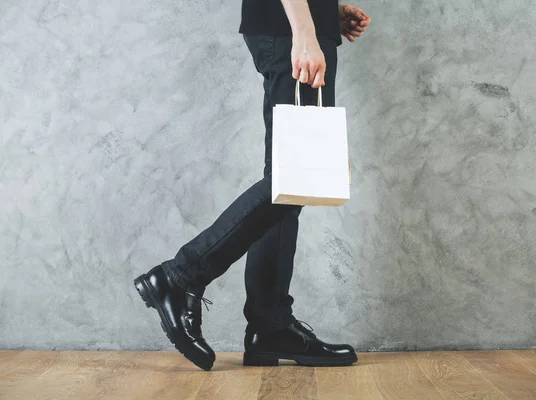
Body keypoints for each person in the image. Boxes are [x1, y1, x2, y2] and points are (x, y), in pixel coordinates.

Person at [134, 0, 371, 371]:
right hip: (291, 30)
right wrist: (305, 32)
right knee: (295, 176)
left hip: (293, 25)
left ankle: (269, 325)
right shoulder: (299, 33)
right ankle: (180, 276)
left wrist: (324, 12)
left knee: (288, 182)